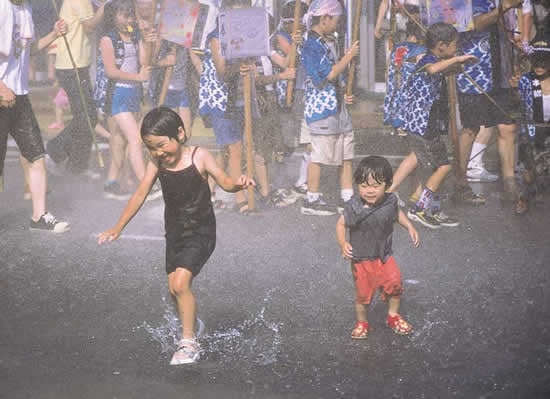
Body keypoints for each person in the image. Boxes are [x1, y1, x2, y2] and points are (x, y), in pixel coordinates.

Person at [97, 107, 255, 365]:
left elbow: (225, 181)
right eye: (151, 148)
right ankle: (191, 324)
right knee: (174, 289)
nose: (158, 153)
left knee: (180, 284)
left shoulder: (199, 156)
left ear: (179, 134)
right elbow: (140, 194)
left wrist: (239, 183)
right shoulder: (157, 163)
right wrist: (118, 227)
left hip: (201, 231)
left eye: (161, 145)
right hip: (175, 233)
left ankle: (188, 344)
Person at [391, 22, 476, 229]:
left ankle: (434, 209)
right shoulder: (426, 58)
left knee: (440, 168)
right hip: (421, 124)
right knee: (443, 167)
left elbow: (442, 71)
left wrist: (460, 65)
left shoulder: (437, 59)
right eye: (454, 44)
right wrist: (457, 59)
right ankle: (420, 208)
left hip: (430, 124)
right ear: (441, 45)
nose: (456, 48)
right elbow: (432, 69)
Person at [0, 0, 69, 232]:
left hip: (19, 95)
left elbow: (28, 49)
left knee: (35, 155)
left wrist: (54, 34)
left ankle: (39, 216)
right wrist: (1, 87)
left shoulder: (25, 9)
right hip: (1, 92)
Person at [336, 156, 419, 339]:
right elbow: (341, 225)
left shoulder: (390, 201)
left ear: (388, 185)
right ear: (357, 185)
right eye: (364, 186)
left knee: (395, 283)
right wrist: (343, 243)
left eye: (375, 186)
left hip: (384, 255)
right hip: (362, 259)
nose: (370, 191)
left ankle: (393, 316)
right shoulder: (354, 206)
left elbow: (397, 213)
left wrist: (410, 226)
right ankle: (362, 322)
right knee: (363, 295)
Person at [456, 0, 524, 202]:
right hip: (475, 72)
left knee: (508, 126)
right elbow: (472, 23)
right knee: (471, 128)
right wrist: (503, 8)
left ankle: (510, 183)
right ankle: (460, 183)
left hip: (500, 71)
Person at [299, 0, 359, 216]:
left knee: (346, 151)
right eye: (335, 20)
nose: (337, 25)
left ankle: (347, 196)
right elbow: (327, 75)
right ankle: (312, 199)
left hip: (338, 105)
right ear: (324, 19)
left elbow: (338, 77)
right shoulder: (310, 45)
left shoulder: (330, 41)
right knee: (320, 154)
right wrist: (349, 57)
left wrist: (345, 92)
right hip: (322, 108)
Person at [95, 0, 159, 200]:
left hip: (134, 95)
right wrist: (138, 77)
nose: (128, 19)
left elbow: (144, 62)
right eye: (124, 15)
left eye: (130, 15)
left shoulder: (134, 36)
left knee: (121, 140)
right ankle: (144, 183)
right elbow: (111, 71)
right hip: (117, 95)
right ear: (113, 17)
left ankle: (112, 182)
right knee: (135, 138)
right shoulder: (107, 39)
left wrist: (148, 40)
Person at [45, 0, 105, 177]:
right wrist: (104, 7)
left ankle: (77, 165)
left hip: (78, 64)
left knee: (87, 117)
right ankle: (56, 151)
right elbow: (88, 26)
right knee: (86, 117)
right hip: (72, 65)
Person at [514, 34, 550, 213]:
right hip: (531, 129)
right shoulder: (526, 80)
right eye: (536, 60)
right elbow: (515, 102)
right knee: (528, 170)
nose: (540, 65)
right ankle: (523, 198)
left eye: (545, 60)